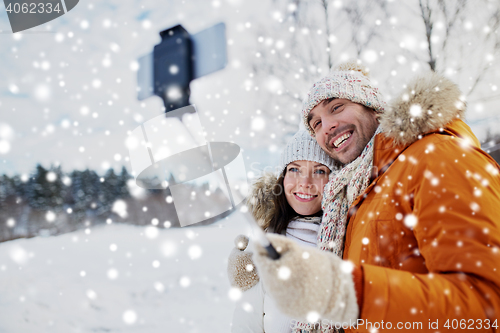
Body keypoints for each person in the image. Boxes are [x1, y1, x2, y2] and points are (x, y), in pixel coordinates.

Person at [251, 61, 500, 332]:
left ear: (373, 107)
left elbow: (488, 307)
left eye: (337, 107)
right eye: (317, 123)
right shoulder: (358, 193)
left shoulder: (437, 156)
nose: (328, 126)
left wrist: (349, 293)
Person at [228, 129, 338, 332]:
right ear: (283, 178)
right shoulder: (263, 246)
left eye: (320, 171)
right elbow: (246, 326)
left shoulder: (348, 241)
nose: (305, 183)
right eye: (295, 169)